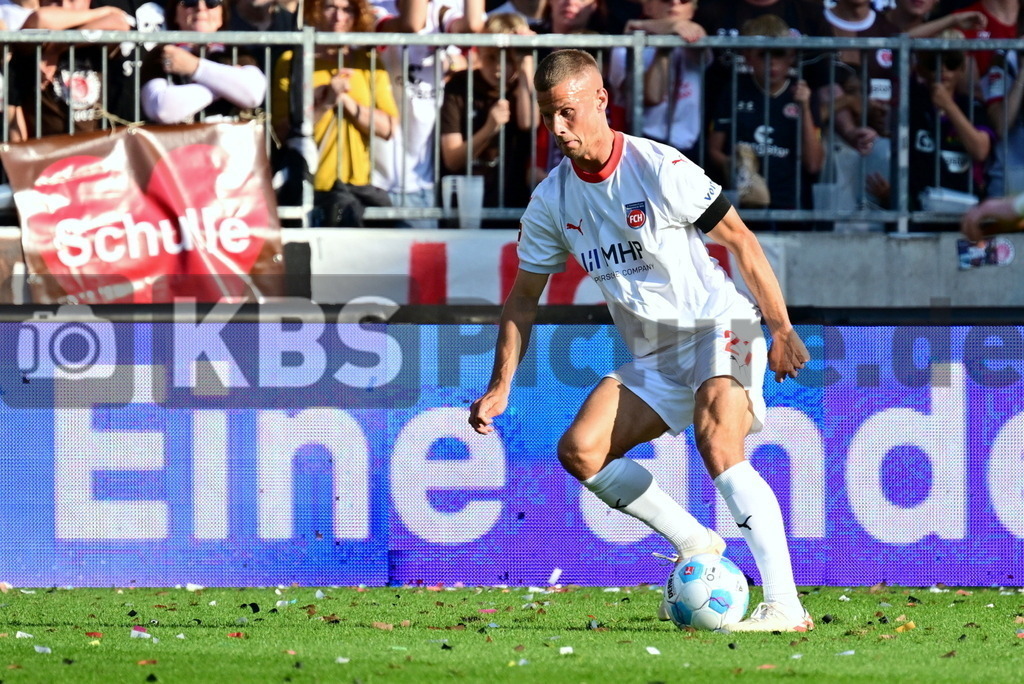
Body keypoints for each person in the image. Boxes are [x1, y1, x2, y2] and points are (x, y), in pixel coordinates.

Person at [469, 49, 814, 632]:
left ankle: (785, 604)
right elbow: (523, 298)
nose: (557, 129)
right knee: (581, 450)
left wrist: (779, 327)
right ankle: (697, 542)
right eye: (549, 116)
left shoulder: (659, 169)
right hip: (654, 355)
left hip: (720, 327)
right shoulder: (552, 199)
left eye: (568, 113)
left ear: (601, 100)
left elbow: (741, 241)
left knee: (717, 437)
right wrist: (501, 384)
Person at [708, 15, 825, 229]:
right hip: (745, 206)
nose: (772, 63)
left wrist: (805, 107)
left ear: (791, 56)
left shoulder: (803, 94)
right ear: (748, 56)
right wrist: (738, 168)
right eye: (763, 55)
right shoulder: (733, 90)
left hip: (790, 204)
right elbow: (713, 149)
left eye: (778, 53)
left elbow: (814, 163)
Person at [272, 0, 398, 197]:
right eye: (330, 7)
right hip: (309, 188)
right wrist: (326, 102)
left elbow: (388, 128)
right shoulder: (291, 61)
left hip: (357, 190)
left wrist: (345, 101)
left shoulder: (368, 62)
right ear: (315, 10)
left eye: (347, 9)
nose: (338, 17)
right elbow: (281, 132)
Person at [439, 12, 539, 225]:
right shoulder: (459, 85)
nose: (499, 68)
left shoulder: (522, 86)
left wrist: (526, 62)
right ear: (480, 52)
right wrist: (489, 128)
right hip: (468, 207)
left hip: (514, 205)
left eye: (509, 59)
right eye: (492, 57)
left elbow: (529, 123)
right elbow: (452, 159)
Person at [7, 0, 133, 140]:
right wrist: (102, 11)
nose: (65, 6)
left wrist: (56, 49)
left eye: (72, 0)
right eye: (55, 1)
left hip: (96, 148)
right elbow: (40, 18)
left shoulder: (94, 35)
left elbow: (119, 22)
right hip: (49, 149)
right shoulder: (37, 38)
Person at [607, 0, 707, 163]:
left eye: (684, 0)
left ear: (692, 10)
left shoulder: (692, 44)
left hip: (689, 149)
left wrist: (642, 25)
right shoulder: (623, 49)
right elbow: (652, 97)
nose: (674, 2)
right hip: (642, 147)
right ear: (648, 6)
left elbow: (698, 33)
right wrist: (663, 47)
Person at [140, 0, 267, 125]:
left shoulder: (236, 52)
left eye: (212, 2)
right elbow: (161, 110)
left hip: (229, 143)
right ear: (174, 14)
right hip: (178, 144)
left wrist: (194, 67)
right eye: (190, 1)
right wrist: (229, 85)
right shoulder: (160, 54)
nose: (201, 8)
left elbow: (253, 94)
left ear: (222, 14)